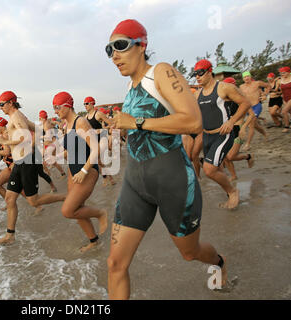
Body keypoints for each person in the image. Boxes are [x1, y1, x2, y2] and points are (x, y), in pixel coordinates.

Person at [105, 19, 227, 299]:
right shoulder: (130, 88)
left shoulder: (160, 72)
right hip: (135, 184)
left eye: (121, 46)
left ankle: (219, 262)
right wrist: (123, 125)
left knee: (190, 253)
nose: (115, 55)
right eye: (109, 50)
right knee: (115, 264)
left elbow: (193, 121)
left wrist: (135, 121)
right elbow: (141, 127)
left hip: (173, 182)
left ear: (142, 45)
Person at [0, 91, 65, 245]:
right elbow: (38, 130)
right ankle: (10, 235)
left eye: (2, 104)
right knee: (10, 198)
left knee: (33, 201)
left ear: (11, 102)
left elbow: (26, 137)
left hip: (27, 161)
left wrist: (5, 141)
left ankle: (67, 198)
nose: (0, 108)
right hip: (20, 162)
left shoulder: (17, 116)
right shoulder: (19, 116)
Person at [53, 92, 108, 252]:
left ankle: (100, 213)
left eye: (57, 107)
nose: (55, 111)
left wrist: (84, 170)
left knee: (68, 210)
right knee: (78, 208)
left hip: (87, 170)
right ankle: (93, 240)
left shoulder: (81, 122)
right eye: (54, 108)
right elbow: (72, 150)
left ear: (67, 105)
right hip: (73, 169)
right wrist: (55, 156)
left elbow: (95, 148)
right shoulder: (66, 125)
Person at [194, 60, 251, 209]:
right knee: (217, 168)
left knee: (209, 169)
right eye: (195, 74)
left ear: (209, 71)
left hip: (222, 135)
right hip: (206, 136)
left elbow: (245, 103)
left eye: (200, 73)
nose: (197, 77)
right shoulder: (198, 93)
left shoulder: (224, 88)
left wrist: (232, 121)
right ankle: (229, 192)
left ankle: (233, 192)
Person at [221, 77, 255, 181]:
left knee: (230, 156)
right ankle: (233, 175)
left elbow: (251, 115)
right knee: (224, 156)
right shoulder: (224, 99)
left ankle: (248, 157)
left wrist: (244, 128)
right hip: (228, 128)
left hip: (238, 128)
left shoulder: (242, 98)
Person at [84, 97, 116, 186]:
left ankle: (106, 178)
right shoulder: (86, 117)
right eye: (84, 104)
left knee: (97, 158)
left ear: (92, 103)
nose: (85, 106)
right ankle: (110, 178)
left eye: (86, 103)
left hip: (102, 138)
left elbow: (111, 124)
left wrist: (101, 130)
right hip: (94, 140)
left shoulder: (98, 114)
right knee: (99, 162)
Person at [239, 71, 270, 150]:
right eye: (244, 77)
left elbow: (268, 86)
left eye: (247, 76)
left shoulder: (257, 83)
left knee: (251, 124)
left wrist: (265, 95)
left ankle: (248, 144)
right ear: (243, 78)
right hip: (248, 108)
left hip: (256, 106)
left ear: (250, 76)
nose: (246, 78)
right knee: (255, 125)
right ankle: (265, 133)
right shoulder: (241, 87)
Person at [279, 66, 291, 132]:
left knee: (284, 111)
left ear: (288, 72)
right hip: (285, 97)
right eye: (281, 73)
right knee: (290, 111)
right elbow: (282, 90)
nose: (282, 74)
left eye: (283, 73)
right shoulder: (281, 79)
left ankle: (287, 126)